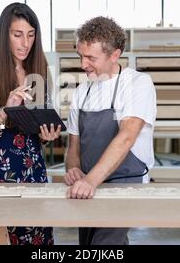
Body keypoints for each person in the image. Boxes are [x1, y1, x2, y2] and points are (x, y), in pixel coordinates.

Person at [0, 2, 61, 245]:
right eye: (18, 35)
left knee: (35, 240)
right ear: (4, 35)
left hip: (32, 174)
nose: (25, 43)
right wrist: (5, 110)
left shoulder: (37, 72)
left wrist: (45, 135)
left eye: (30, 35)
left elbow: (34, 127)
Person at [64, 16, 157, 245]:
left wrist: (90, 182)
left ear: (114, 55)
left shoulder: (137, 84)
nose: (83, 64)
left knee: (103, 246)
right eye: (81, 56)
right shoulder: (81, 92)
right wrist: (74, 169)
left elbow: (126, 138)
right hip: (88, 185)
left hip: (124, 184)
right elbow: (73, 145)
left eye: (90, 58)